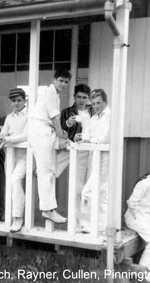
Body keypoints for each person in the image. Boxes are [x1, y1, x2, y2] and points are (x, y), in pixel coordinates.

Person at [28, 69, 69, 224]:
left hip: (47, 131)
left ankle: (43, 169)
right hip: (40, 132)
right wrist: (60, 133)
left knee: (68, 149)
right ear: (54, 79)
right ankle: (47, 209)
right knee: (46, 173)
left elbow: (54, 120)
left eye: (66, 82)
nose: (63, 84)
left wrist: (60, 133)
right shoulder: (48, 92)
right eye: (61, 80)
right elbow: (53, 117)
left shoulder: (55, 94)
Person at [56, 84, 93, 229]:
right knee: (78, 188)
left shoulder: (92, 111)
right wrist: (68, 124)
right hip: (76, 152)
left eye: (84, 97)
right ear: (74, 97)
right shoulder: (67, 112)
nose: (81, 100)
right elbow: (62, 132)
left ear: (88, 98)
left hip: (90, 151)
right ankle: (76, 223)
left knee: (89, 189)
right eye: (79, 97)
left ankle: (88, 222)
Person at [0, 88, 28, 233]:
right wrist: (0, 137)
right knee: (10, 184)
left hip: (25, 156)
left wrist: (7, 139)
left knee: (15, 181)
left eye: (19, 100)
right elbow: (4, 131)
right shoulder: (9, 117)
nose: (16, 103)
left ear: (24, 100)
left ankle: (18, 217)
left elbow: (25, 136)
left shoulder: (29, 116)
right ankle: (10, 215)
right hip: (10, 155)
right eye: (14, 101)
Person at [80, 89, 111, 234]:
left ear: (105, 102)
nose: (96, 106)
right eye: (93, 104)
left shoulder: (109, 116)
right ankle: (99, 226)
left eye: (99, 103)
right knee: (100, 191)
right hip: (94, 157)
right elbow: (88, 133)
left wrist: (88, 139)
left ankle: (88, 225)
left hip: (105, 158)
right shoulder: (94, 118)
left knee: (90, 191)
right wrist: (81, 137)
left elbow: (104, 138)